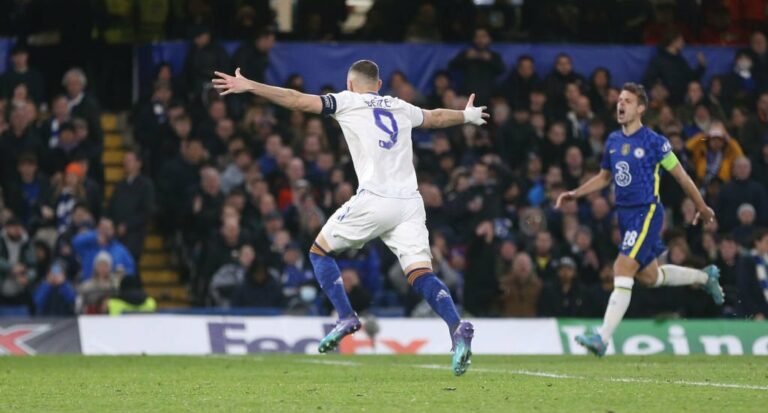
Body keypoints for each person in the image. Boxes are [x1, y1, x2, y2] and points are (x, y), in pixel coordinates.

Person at [213, 59, 488, 375]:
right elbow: (437, 118)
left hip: (375, 199)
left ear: (350, 83)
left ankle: (345, 316)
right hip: (410, 203)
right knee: (420, 273)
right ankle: (455, 327)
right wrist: (467, 115)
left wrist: (252, 86)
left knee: (319, 251)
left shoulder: (347, 101)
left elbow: (296, 99)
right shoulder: (400, 106)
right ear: (380, 85)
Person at [555, 83, 724, 357]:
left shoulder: (655, 142)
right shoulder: (613, 141)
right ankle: (705, 277)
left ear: (641, 108)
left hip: (646, 212)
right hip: (624, 216)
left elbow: (682, 176)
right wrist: (575, 193)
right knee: (650, 277)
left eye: (628, 101)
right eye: (620, 100)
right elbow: (604, 177)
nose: (621, 105)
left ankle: (602, 338)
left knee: (622, 268)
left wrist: (702, 207)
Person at [738, 228, 768, 320]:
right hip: (755, 313)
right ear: (757, 242)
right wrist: (756, 312)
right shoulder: (747, 261)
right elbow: (745, 290)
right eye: (767, 241)